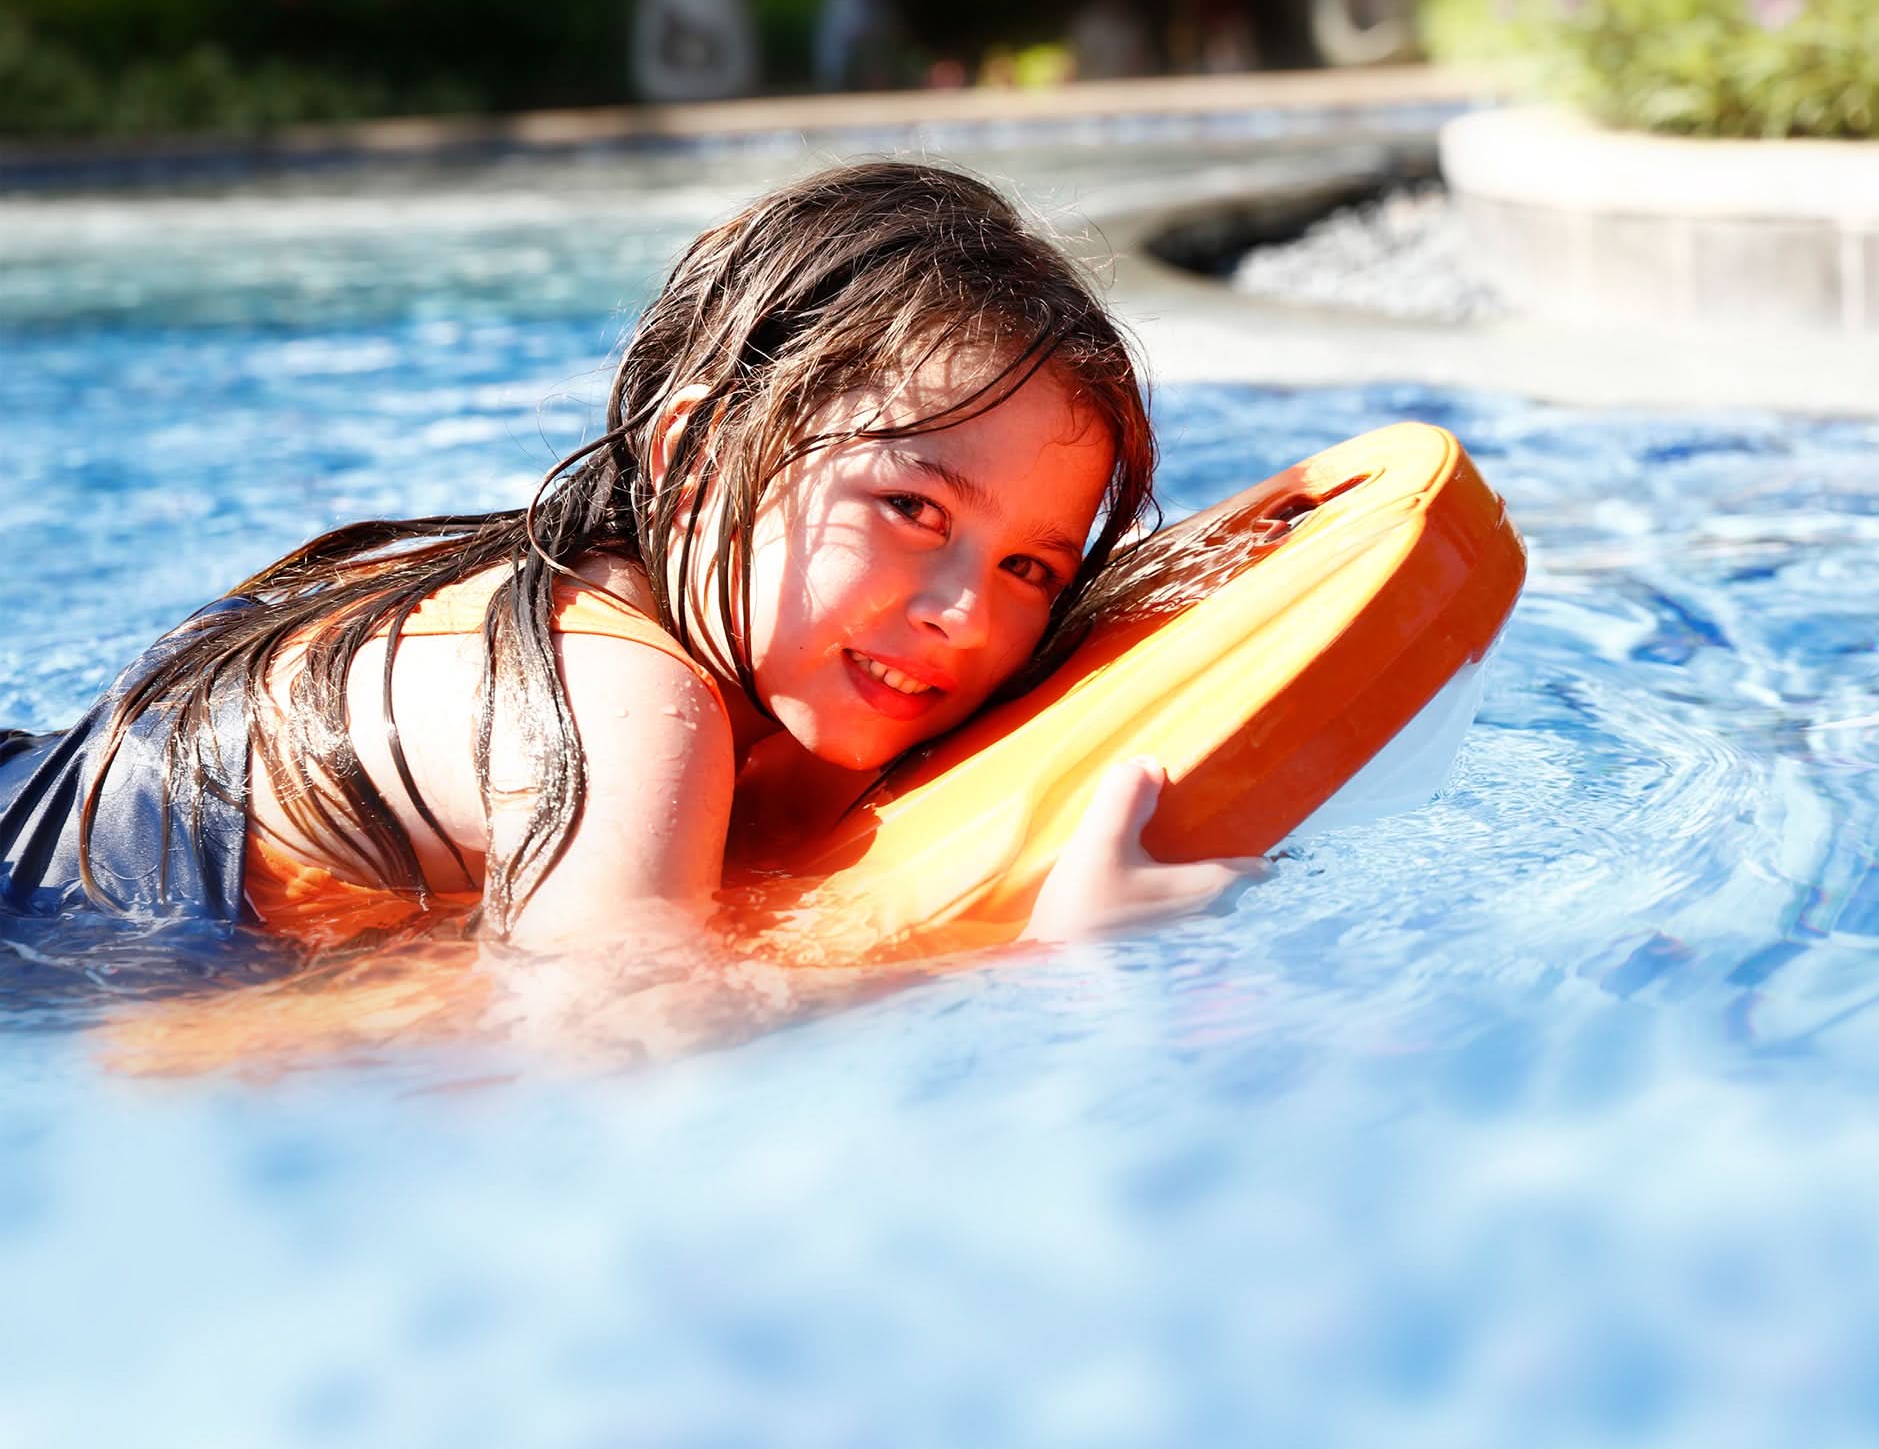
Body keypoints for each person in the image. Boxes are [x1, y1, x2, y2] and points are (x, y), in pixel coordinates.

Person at [0, 163, 1264, 966]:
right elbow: (609, 1072)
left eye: (1034, 567)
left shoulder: (637, 616)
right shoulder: (626, 701)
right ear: (694, 454)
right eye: (910, 507)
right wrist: (1025, 948)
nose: (961, 613)